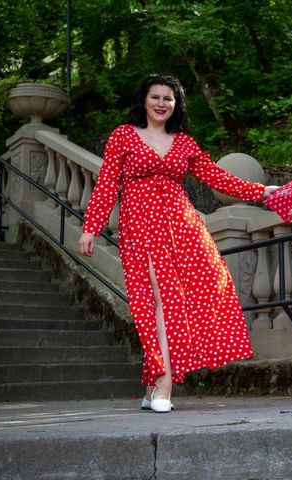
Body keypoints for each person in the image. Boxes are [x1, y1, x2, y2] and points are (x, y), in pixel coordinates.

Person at [78, 74, 278, 413]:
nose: (161, 103)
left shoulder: (183, 142)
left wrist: (262, 192)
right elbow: (107, 185)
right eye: (155, 97)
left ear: (176, 104)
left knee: (181, 299)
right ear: (143, 100)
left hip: (182, 228)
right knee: (156, 300)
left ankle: (155, 383)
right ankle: (163, 383)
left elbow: (218, 177)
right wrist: (91, 228)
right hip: (141, 226)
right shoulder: (124, 136)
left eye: (168, 99)